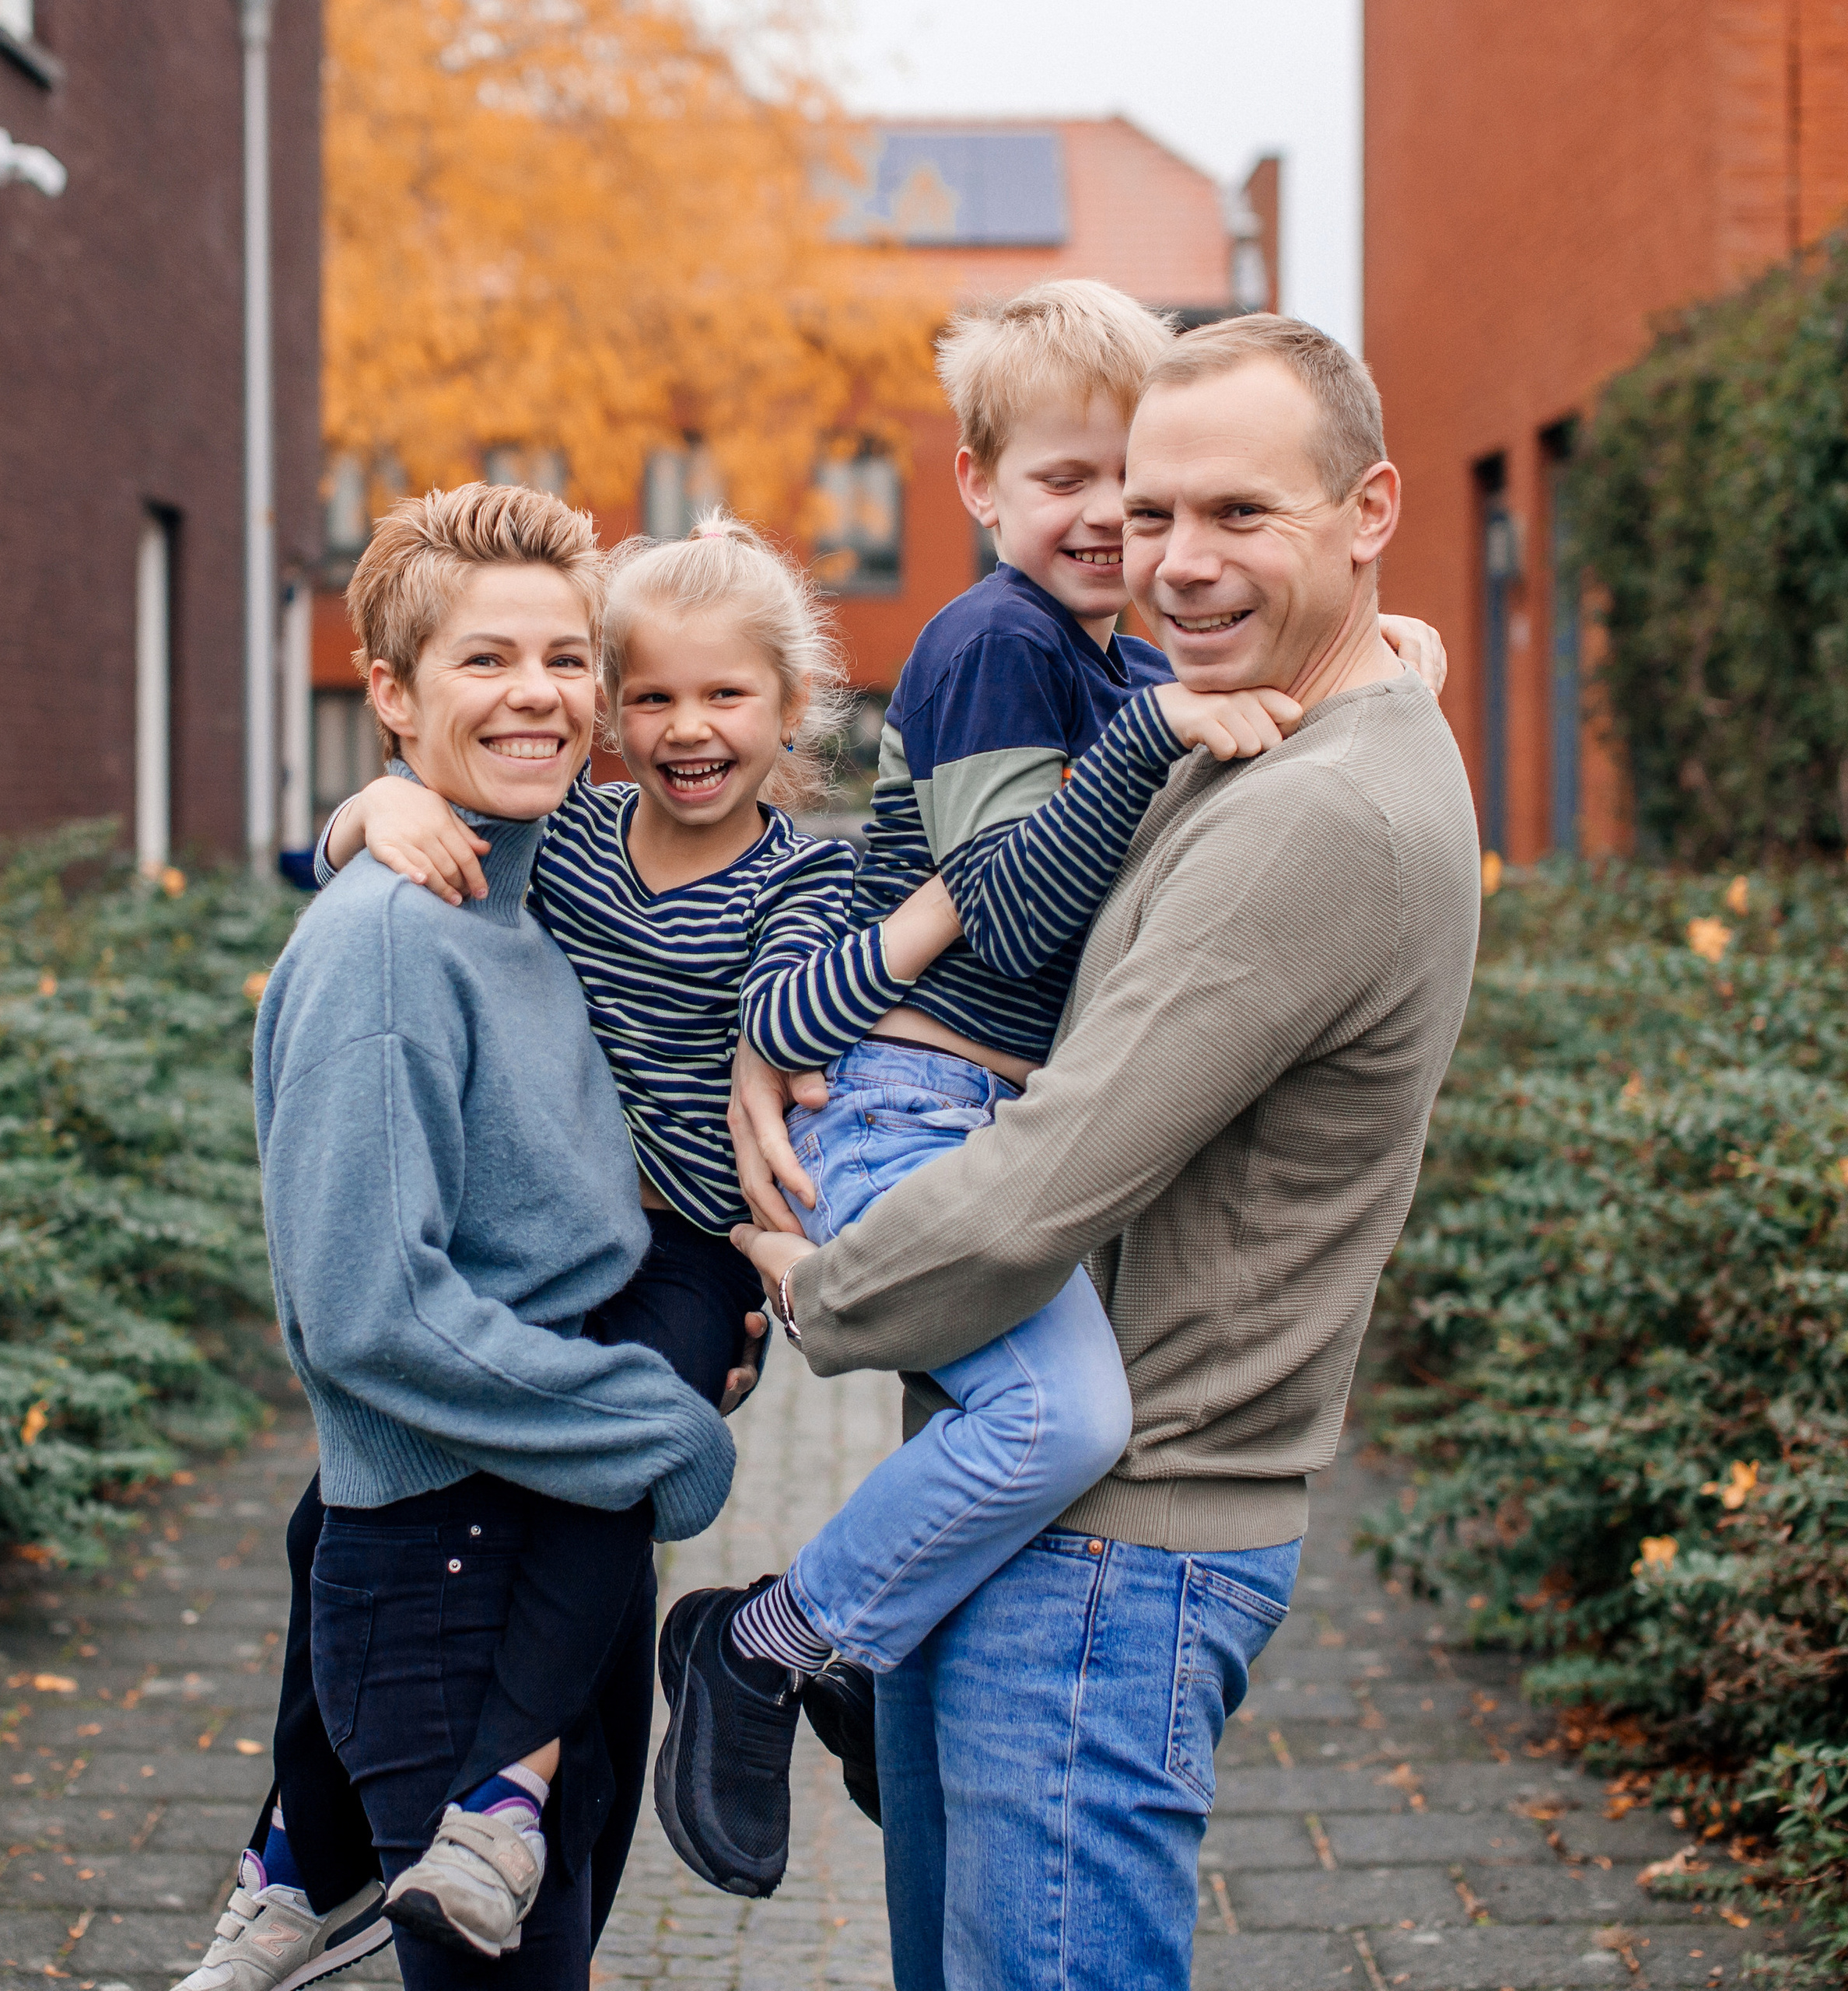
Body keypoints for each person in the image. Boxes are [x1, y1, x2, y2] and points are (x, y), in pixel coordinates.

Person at [649, 279, 1447, 1896]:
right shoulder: (999, 642)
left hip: (1068, 1356)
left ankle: (825, 1637)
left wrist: (1388, 650)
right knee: (1051, 1409)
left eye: (1191, 500)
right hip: (914, 1105)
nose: (1137, 538)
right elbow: (1008, 897)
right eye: (1106, 491)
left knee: (1048, 1411)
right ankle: (770, 1641)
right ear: (973, 486)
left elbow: (1253, 696)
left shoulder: (1123, 660)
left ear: (1365, 515)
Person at [183, 484, 740, 1991]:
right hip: (449, 1558)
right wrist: (657, 1423)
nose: (539, 696)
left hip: (546, 1515)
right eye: (486, 660)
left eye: (565, 659)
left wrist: (367, 806)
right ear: (390, 691)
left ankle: (291, 1875)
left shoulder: (513, 880)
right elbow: (367, 1310)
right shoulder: (385, 947)